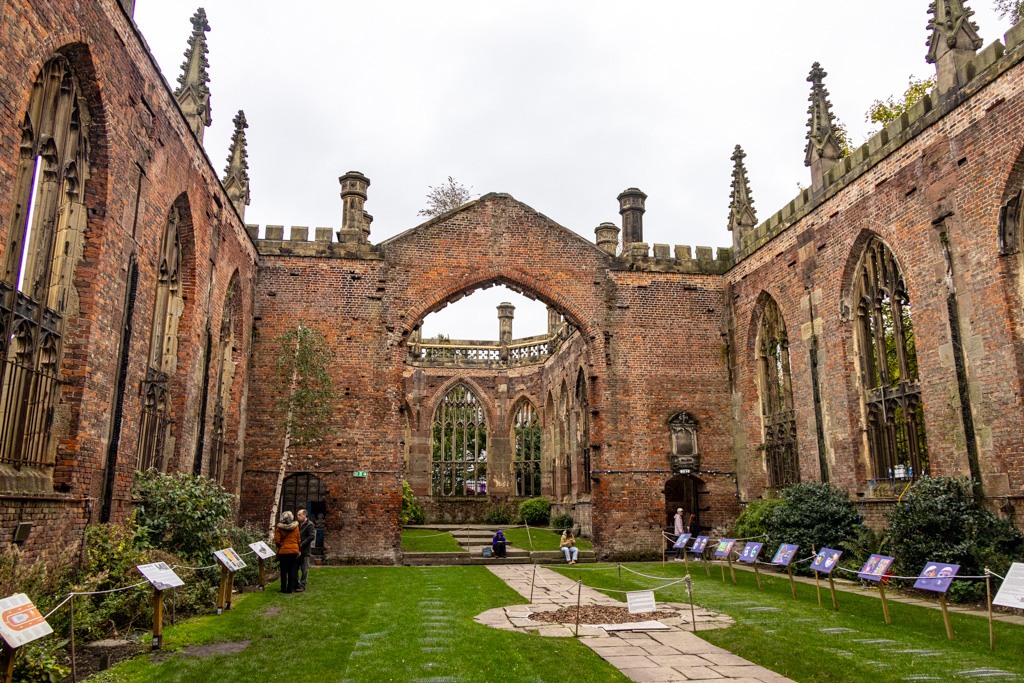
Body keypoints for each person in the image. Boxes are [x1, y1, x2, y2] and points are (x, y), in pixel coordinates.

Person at [273, 510, 301, 594]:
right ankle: (290, 588)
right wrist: (299, 549)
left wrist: (279, 545)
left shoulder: (279, 528)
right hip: (294, 550)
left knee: (284, 570)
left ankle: (283, 588)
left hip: (284, 551)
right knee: (292, 570)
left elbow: (277, 540)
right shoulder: (296, 527)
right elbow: (298, 539)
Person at [297, 509, 316, 592]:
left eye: (299, 515)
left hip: (305, 550)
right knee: (295, 568)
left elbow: (312, 536)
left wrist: (302, 544)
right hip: (297, 549)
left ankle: (302, 585)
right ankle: (296, 584)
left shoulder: (310, 525)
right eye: (297, 515)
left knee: (304, 569)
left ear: (304, 515)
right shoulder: (298, 525)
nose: (298, 517)